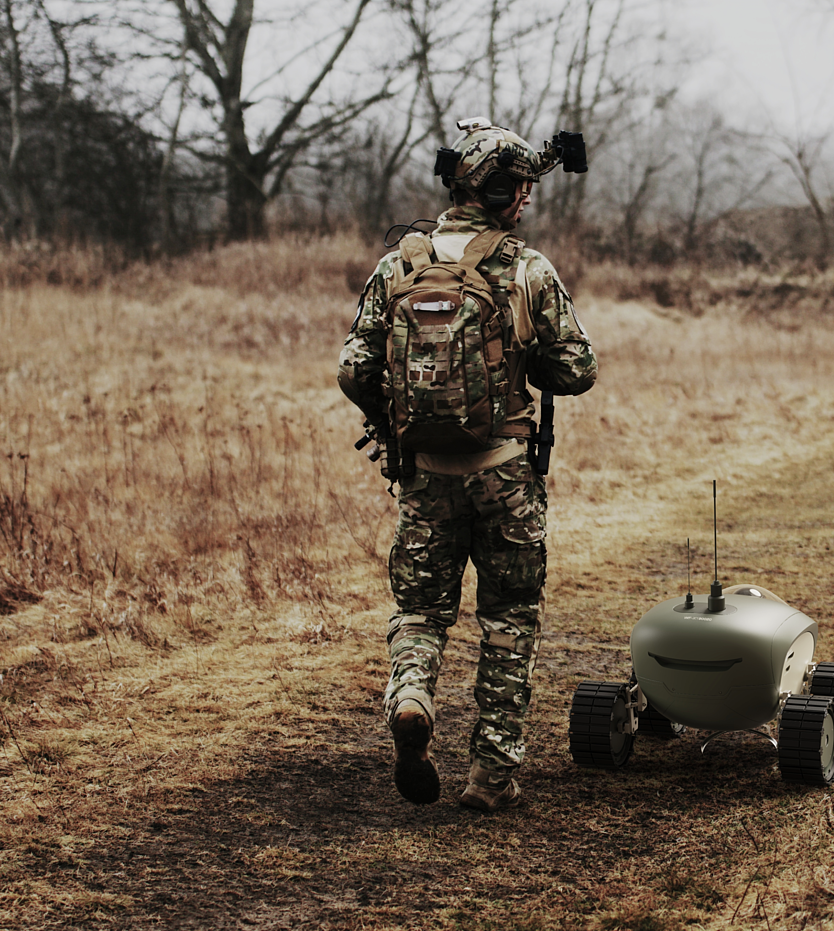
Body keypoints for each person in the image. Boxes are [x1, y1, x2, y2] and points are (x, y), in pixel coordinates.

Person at [337, 119, 597, 811]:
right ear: (504, 193)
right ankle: (491, 777)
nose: (529, 201)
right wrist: (525, 359)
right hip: (506, 472)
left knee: (420, 610)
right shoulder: (524, 268)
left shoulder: (401, 264)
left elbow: (353, 366)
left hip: (423, 473)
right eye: (524, 189)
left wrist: (392, 423)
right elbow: (577, 370)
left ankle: (414, 694)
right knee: (509, 619)